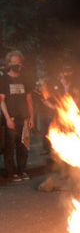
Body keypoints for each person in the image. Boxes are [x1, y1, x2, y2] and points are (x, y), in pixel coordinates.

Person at [0, 50, 34, 181]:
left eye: (19, 63)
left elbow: (29, 100)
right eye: (14, 63)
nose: (17, 65)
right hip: (11, 119)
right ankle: (11, 172)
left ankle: (22, 170)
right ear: (9, 63)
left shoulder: (25, 79)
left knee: (23, 146)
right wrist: (8, 119)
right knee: (10, 147)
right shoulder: (3, 79)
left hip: (24, 119)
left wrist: (31, 117)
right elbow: (1, 101)